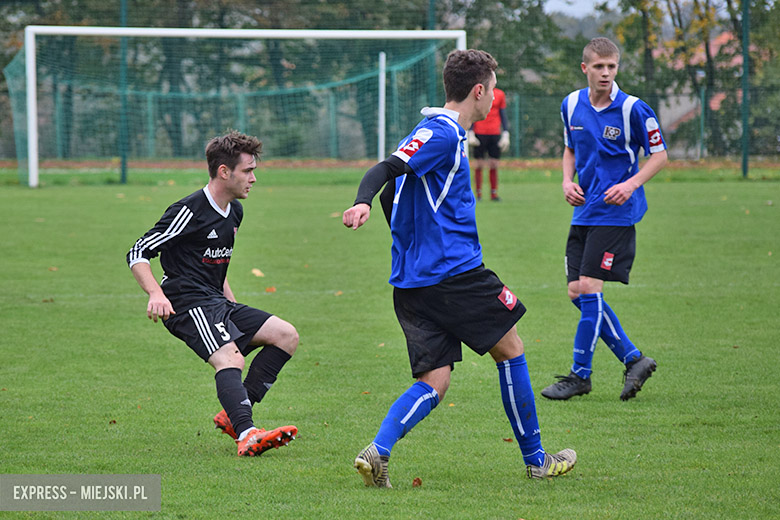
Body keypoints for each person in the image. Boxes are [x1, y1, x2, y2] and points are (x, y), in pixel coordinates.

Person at [342, 49, 576, 486]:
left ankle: (378, 450)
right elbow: (386, 170)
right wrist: (361, 200)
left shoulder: (427, 128)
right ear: (479, 91)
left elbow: (394, 187)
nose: (493, 99)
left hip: (412, 282)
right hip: (455, 274)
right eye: (493, 88)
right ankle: (537, 460)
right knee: (511, 349)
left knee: (435, 380)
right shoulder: (446, 134)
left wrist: (397, 228)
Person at [126, 130, 299, 456]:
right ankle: (247, 434)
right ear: (224, 172)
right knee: (230, 358)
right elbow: (137, 252)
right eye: (248, 171)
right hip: (184, 303)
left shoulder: (234, 211)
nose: (254, 178)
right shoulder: (189, 210)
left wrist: (233, 307)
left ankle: (235, 413)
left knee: (285, 335)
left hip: (216, 301)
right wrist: (155, 294)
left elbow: (216, 265)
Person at [541, 37, 668, 402]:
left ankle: (580, 375)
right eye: (599, 66)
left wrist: (630, 185)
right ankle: (634, 359)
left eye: (611, 66)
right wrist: (567, 180)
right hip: (584, 210)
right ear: (585, 68)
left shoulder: (633, 109)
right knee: (576, 292)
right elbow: (569, 148)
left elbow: (659, 156)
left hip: (616, 214)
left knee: (590, 287)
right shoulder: (571, 104)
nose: (606, 73)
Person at [468, 86, 510, 201]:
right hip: (479, 132)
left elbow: (502, 114)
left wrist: (505, 132)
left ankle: (493, 193)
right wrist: (471, 131)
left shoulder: (500, 94)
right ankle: (478, 194)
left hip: (494, 132)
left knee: (494, 164)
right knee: (479, 164)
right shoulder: (478, 92)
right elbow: (473, 111)